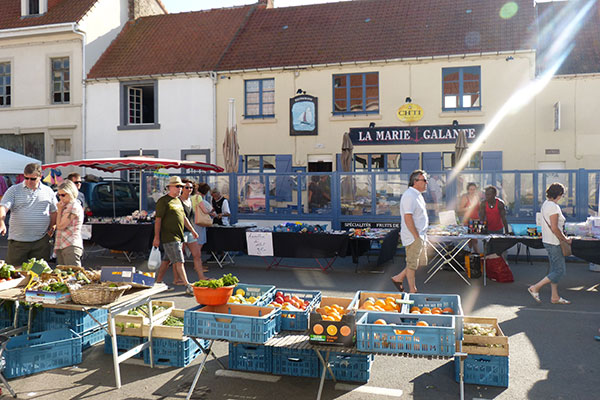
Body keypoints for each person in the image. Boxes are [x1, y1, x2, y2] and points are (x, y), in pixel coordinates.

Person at [0, 163, 57, 266]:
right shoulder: (14, 190)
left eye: (33, 179)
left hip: (41, 241)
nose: (29, 181)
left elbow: (54, 211)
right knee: (14, 273)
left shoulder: (48, 191)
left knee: (39, 274)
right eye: (26, 178)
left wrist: (53, 226)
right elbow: (3, 207)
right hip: (18, 242)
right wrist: (1, 222)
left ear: (40, 177)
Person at [528, 183, 572, 304]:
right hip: (554, 242)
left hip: (548, 240)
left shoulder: (545, 205)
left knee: (554, 269)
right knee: (559, 271)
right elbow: (555, 228)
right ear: (559, 194)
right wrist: (565, 239)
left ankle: (555, 296)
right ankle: (535, 287)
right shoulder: (553, 207)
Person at [153, 176, 198, 295]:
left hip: (179, 235)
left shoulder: (178, 200)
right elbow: (158, 220)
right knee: (179, 261)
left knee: (166, 261)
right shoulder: (163, 201)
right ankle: (187, 285)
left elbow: (183, 218)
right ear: (170, 187)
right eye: (178, 186)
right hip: (170, 236)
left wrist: (192, 230)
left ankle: (157, 283)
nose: (180, 189)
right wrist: (156, 237)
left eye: (181, 187)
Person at [391, 169, 429, 293]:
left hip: (420, 235)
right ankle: (413, 290)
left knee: (417, 262)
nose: (426, 183)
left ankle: (398, 278)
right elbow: (408, 218)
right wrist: (416, 236)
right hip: (414, 236)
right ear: (415, 181)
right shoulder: (409, 195)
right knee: (412, 264)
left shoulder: (417, 195)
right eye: (424, 180)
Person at [179, 179, 206, 281]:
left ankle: (202, 277)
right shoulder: (178, 201)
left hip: (189, 231)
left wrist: (192, 230)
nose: (189, 189)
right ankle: (177, 279)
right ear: (182, 188)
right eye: (187, 187)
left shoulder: (190, 200)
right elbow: (182, 218)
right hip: (180, 231)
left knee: (197, 254)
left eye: (191, 187)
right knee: (178, 258)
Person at [54, 180, 84, 266]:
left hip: (70, 245)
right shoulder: (66, 206)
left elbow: (60, 226)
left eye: (63, 195)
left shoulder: (73, 206)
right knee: (63, 276)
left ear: (71, 193)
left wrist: (59, 210)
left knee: (73, 275)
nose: (61, 197)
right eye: (59, 195)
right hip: (62, 244)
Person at [192, 183, 216, 268]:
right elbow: (205, 211)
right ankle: (198, 265)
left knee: (192, 243)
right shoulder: (199, 198)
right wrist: (211, 213)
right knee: (199, 244)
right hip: (198, 223)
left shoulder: (191, 198)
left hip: (191, 221)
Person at [458, 182, 481, 252]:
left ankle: (475, 257)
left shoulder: (477, 197)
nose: (472, 191)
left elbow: (479, 208)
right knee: (469, 241)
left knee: (475, 240)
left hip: (476, 220)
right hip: (468, 221)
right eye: (471, 189)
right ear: (468, 190)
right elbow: (459, 210)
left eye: (474, 189)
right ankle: (472, 256)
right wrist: (468, 208)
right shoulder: (465, 197)